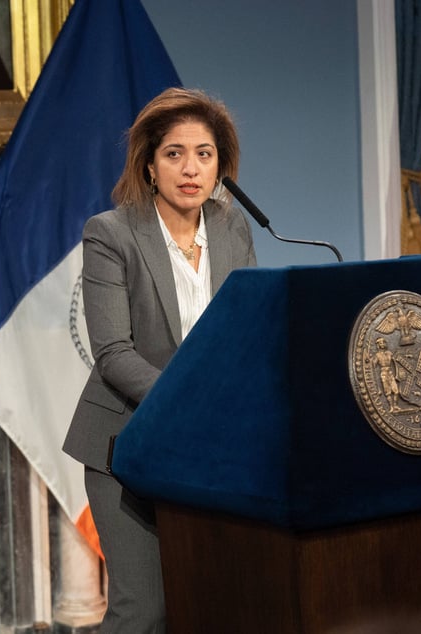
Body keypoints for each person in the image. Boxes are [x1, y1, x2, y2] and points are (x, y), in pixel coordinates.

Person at [62, 87, 257, 633]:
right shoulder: (111, 233)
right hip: (127, 446)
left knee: (212, 600)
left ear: (221, 164)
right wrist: (192, 405)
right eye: (174, 153)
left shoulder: (233, 226)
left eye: (204, 153)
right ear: (149, 165)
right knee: (144, 611)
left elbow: (246, 335)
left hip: (212, 449)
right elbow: (114, 355)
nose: (190, 168)